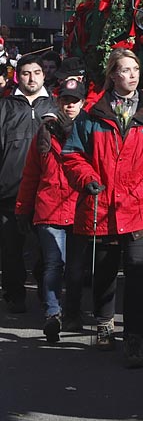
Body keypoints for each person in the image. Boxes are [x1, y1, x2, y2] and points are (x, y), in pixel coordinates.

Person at [62, 48, 143, 368]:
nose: (131, 75)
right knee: (104, 271)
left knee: (140, 273)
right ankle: (105, 324)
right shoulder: (92, 114)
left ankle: (134, 338)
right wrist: (87, 178)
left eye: (135, 70)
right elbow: (72, 155)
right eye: (125, 70)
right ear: (112, 75)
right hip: (103, 202)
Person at [15, 82, 87, 341]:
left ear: (83, 103)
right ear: (58, 102)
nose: (70, 105)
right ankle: (53, 314)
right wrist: (22, 208)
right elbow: (31, 174)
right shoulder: (44, 132)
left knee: (76, 268)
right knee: (54, 263)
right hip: (50, 208)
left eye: (75, 100)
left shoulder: (91, 131)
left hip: (80, 207)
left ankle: (74, 312)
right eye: (66, 100)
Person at [0, 53, 58, 313]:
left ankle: (47, 292)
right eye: (25, 73)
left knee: (48, 251)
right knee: (11, 249)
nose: (31, 78)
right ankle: (14, 295)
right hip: (10, 190)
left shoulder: (55, 107)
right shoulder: (5, 107)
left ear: (44, 75)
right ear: (17, 76)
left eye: (36, 73)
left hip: (47, 192)